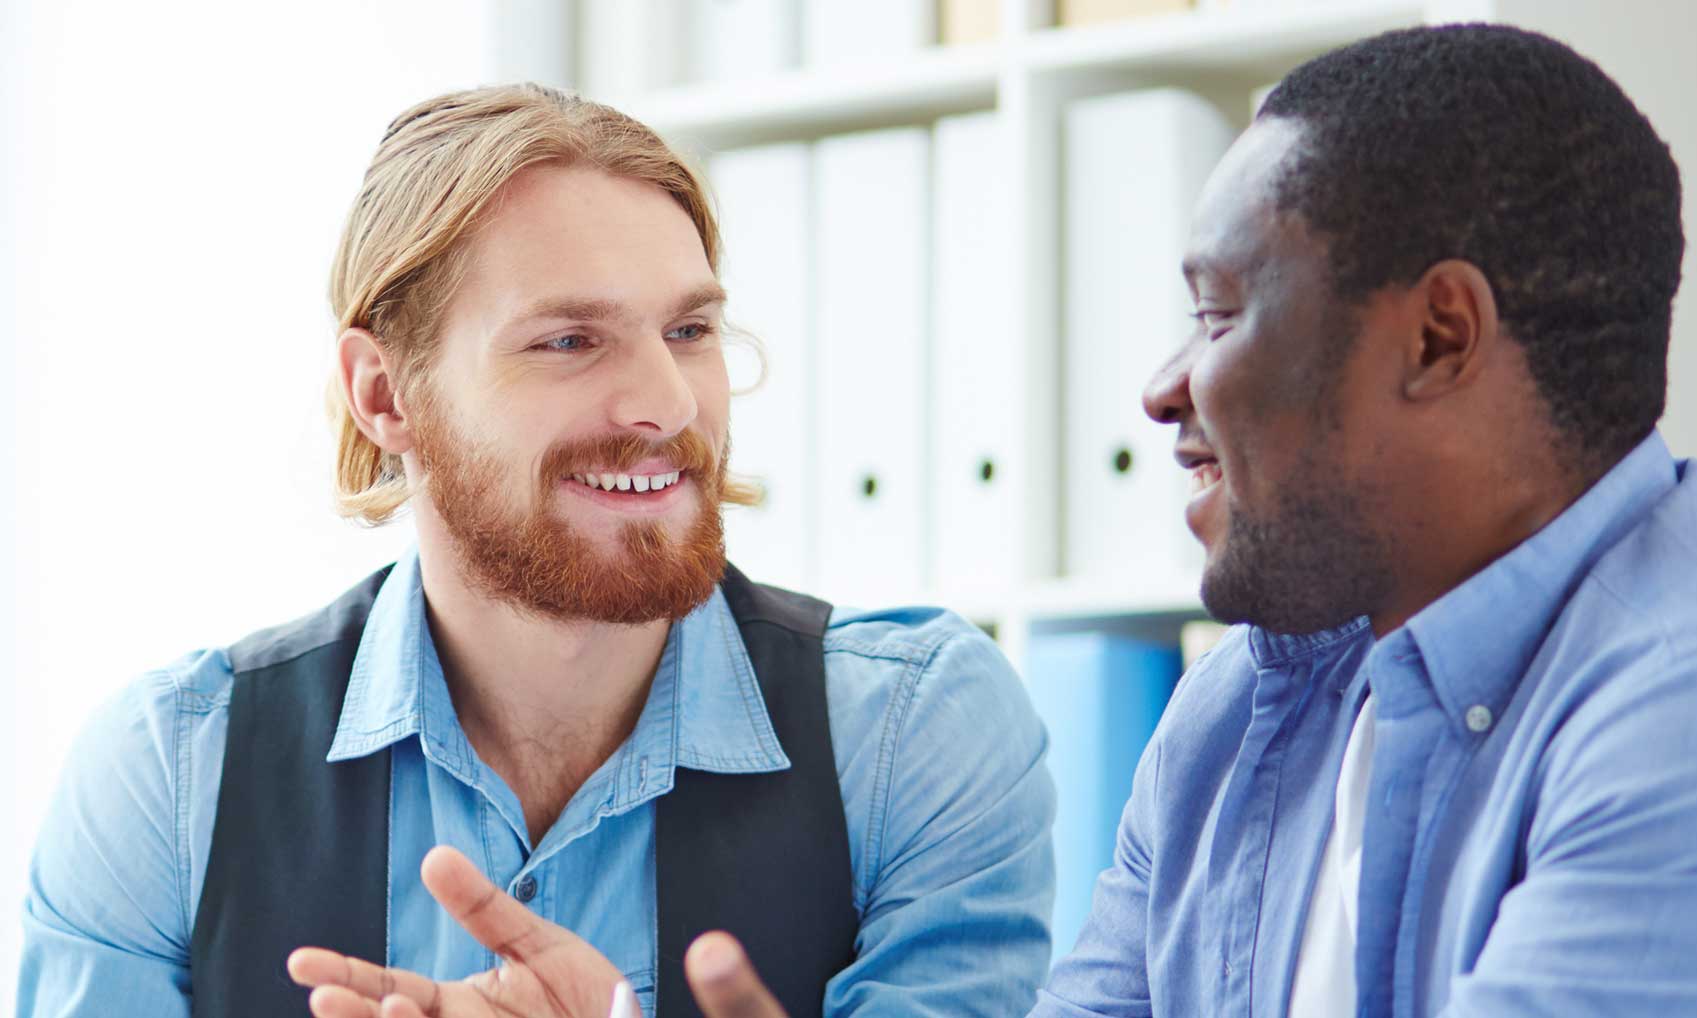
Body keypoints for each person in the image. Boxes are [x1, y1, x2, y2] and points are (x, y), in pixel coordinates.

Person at [285, 23, 1697, 1018]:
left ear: (1438, 337)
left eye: (1215, 312)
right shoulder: (1240, 712)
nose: (1160, 388)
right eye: (567, 338)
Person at [16, 85, 1057, 1018]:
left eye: (689, 332)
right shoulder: (171, 771)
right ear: (385, 393)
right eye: (568, 341)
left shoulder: (911, 735)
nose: (664, 403)